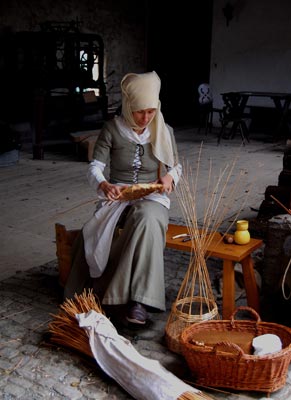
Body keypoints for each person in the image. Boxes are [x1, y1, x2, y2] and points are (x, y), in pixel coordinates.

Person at [64, 71, 182, 326]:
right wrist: (103, 184)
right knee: (97, 231)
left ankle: (139, 301)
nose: (146, 117)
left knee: (148, 219)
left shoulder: (163, 130)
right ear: (129, 106)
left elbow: (176, 166)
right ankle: (111, 293)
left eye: (151, 111)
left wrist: (170, 178)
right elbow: (95, 166)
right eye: (140, 111)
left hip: (153, 196)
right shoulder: (112, 129)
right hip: (117, 195)